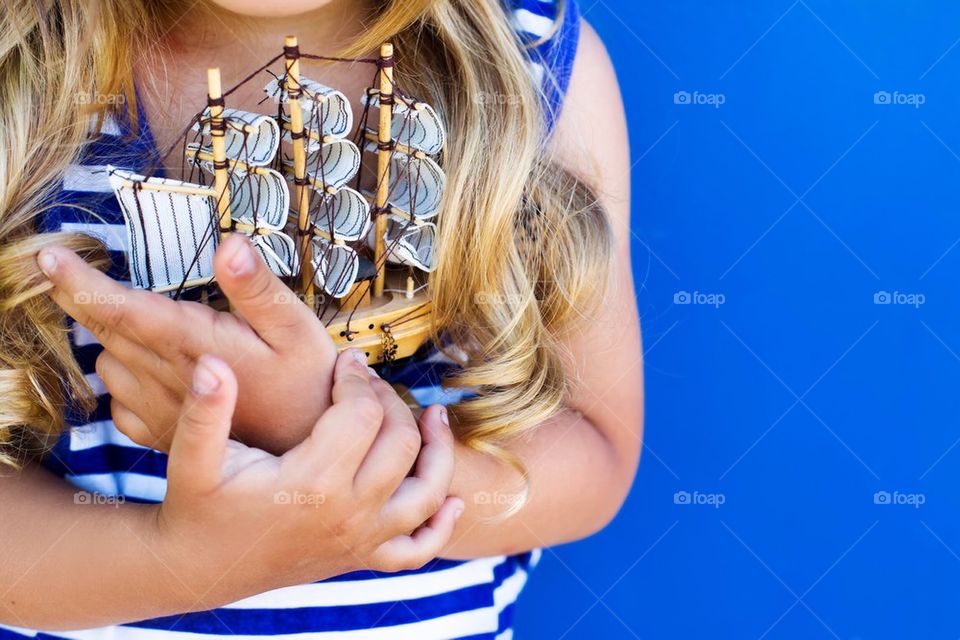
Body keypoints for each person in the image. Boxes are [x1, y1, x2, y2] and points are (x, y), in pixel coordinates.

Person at [0, 0, 643, 637]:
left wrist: (316, 433)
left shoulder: (533, 60)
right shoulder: (24, 72)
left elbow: (594, 458)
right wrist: (189, 560)